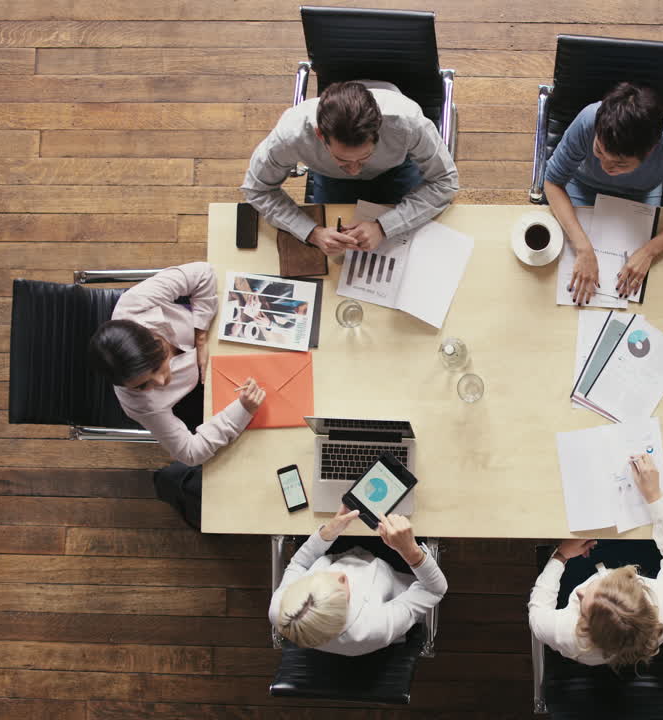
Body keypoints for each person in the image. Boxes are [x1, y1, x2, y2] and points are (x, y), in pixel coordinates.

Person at [543, 82, 663, 305]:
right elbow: (552, 181)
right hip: (583, 186)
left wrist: (650, 251)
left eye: (619, 164)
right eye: (598, 151)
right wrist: (583, 248)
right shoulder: (589, 119)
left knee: (644, 289)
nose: (605, 166)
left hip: (639, 194)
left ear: (651, 150)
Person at [241, 80, 459, 256]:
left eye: (364, 157)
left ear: (379, 132)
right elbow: (257, 189)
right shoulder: (291, 135)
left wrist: (384, 227)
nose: (355, 171)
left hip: (396, 170)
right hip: (332, 179)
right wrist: (312, 233)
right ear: (319, 135)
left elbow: (445, 181)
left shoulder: (408, 124)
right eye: (343, 160)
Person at [88, 262, 266, 466]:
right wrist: (242, 410)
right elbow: (190, 453)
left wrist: (201, 336)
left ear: (153, 337)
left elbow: (202, 273)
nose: (162, 381)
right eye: (142, 385)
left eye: (156, 365)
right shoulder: (137, 403)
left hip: (217, 330)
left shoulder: (134, 303)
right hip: (214, 390)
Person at [529, 454, 663, 670]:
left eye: (583, 608)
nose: (579, 593)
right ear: (633, 580)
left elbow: (537, 613)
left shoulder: (567, 634)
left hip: (579, 561)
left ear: (585, 627)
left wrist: (561, 555)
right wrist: (654, 496)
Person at [269, 507, 448, 656]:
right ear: (346, 612)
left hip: (340, 553)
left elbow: (299, 563)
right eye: (340, 590)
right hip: (391, 566)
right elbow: (434, 589)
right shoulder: (373, 628)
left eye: (319, 577)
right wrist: (410, 551)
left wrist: (327, 533)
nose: (339, 575)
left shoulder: (282, 608)